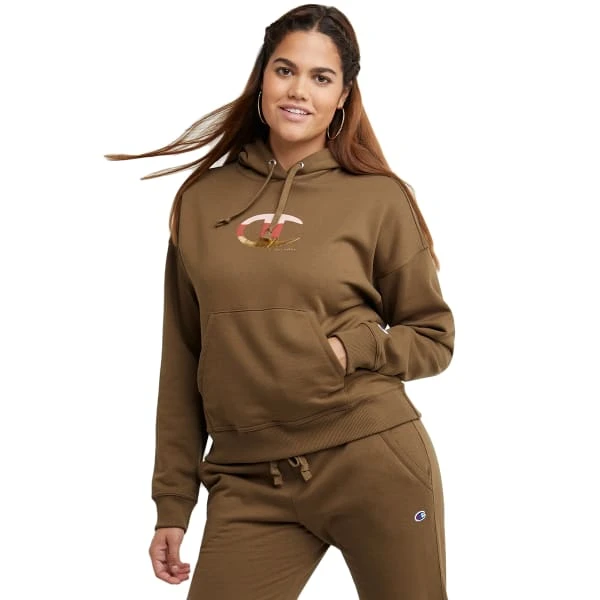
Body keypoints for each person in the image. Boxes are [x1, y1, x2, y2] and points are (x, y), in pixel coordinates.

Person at [105, 4, 455, 598]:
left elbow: (433, 338)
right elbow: (183, 356)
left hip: (370, 459)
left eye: (321, 78)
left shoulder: (378, 199)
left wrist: (350, 350)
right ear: (262, 77)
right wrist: (172, 500)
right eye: (285, 70)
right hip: (247, 479)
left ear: (343, 96)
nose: (298, 91)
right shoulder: (202, 200)